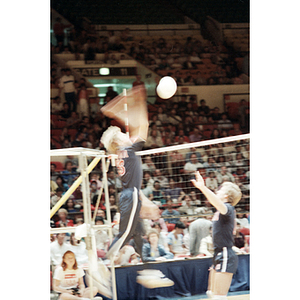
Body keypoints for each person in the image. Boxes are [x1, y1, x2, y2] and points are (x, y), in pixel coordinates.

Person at [100, 85, 159, 258]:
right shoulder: (128, 150)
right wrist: (140, 102)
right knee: (125, 233)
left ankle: (144, 260)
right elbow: (144, 127)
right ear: (119, 141)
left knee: (137, 229)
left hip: (130, 194)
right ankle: (108, 257)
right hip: (131, 194)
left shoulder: (120, 153)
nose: (127, 136)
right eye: (122, 135)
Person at [191, 171, 242, 300]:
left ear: (226, 195)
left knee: (219, 297)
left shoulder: (228, 208)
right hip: (218, 253)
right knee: (211, 293)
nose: (217, 191)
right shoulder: (222, 210)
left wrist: (202, 187)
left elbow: (215, 201)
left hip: (225, 253)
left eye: (220, 189)